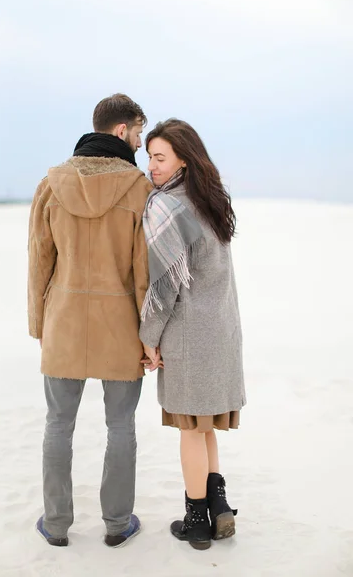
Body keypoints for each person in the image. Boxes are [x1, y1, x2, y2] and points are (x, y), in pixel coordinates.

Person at [27, 94, 153, 548]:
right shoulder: (139, 188)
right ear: (122, 131)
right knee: (121, 426)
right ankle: (118, 524)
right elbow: (144, 272)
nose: (140, 142)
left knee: (58, 425)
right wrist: (151, 335)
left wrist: (40, 323)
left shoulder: (51, 182)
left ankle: (56, 525)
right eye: (139, 133)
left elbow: (39, 259)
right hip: (121, 325)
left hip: (64, 320)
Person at [139, 119, 246, 551]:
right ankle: (219, 510)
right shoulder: (211, 200)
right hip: (221, 333)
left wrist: (149, 338)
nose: (152, 166)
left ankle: (196, 521)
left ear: (183, 157)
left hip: (188, 336)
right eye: (149, 157)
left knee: (190, 430)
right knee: (206, 429)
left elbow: (164, 287)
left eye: (160, 157)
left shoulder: (168, 206)